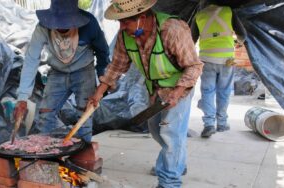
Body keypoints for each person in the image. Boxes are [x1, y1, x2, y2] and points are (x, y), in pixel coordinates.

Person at [88, 0, 203, 187]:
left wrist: (177, 92)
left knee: (170, 133)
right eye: (120, 22)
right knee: (157, 131)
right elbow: (117, 66)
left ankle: (169, 182)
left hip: (179, 89)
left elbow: (193, 66)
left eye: (125, 22)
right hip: (155, 89)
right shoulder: (125, 35)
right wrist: (99, 93)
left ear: (142, 18)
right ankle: (176, 162)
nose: (122, 27)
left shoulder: (173, 30)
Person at [13, 0, 110, 142]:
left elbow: (103, 52)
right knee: (45, 115)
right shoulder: (42, 27)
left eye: (65, 23)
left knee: (84, 115)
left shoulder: (89, 24)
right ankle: (46, 154)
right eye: (57, 23)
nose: (61, 27)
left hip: (84, 71)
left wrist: (102, 81)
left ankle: (83, 155)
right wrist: (22, 97)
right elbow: (31, 60)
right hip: (57, 72)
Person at [192, 1, 243, 138]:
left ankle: (208, 124)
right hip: (227, 60)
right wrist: (237, 42)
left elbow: (192, 40)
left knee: (207, 92)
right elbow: (242, 35)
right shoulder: (228, 11)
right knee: (224, 91)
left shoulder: (199, 15)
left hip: (206, 59)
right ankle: (222, 123)